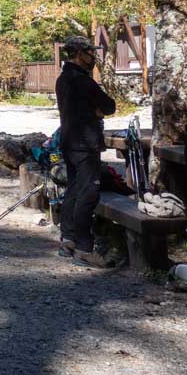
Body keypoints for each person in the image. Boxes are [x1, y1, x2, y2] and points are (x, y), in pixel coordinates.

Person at [55, 36, 116, 267]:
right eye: (90, 52)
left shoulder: (62, 79)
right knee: (88, 193)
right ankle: (83, 248)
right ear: (79, 54)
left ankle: (68, 239)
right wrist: (97, 110)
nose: (93, 57)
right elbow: (109, 105)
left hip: (69, 142)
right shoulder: (83, 81)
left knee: (72, 190)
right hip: (86, 144)